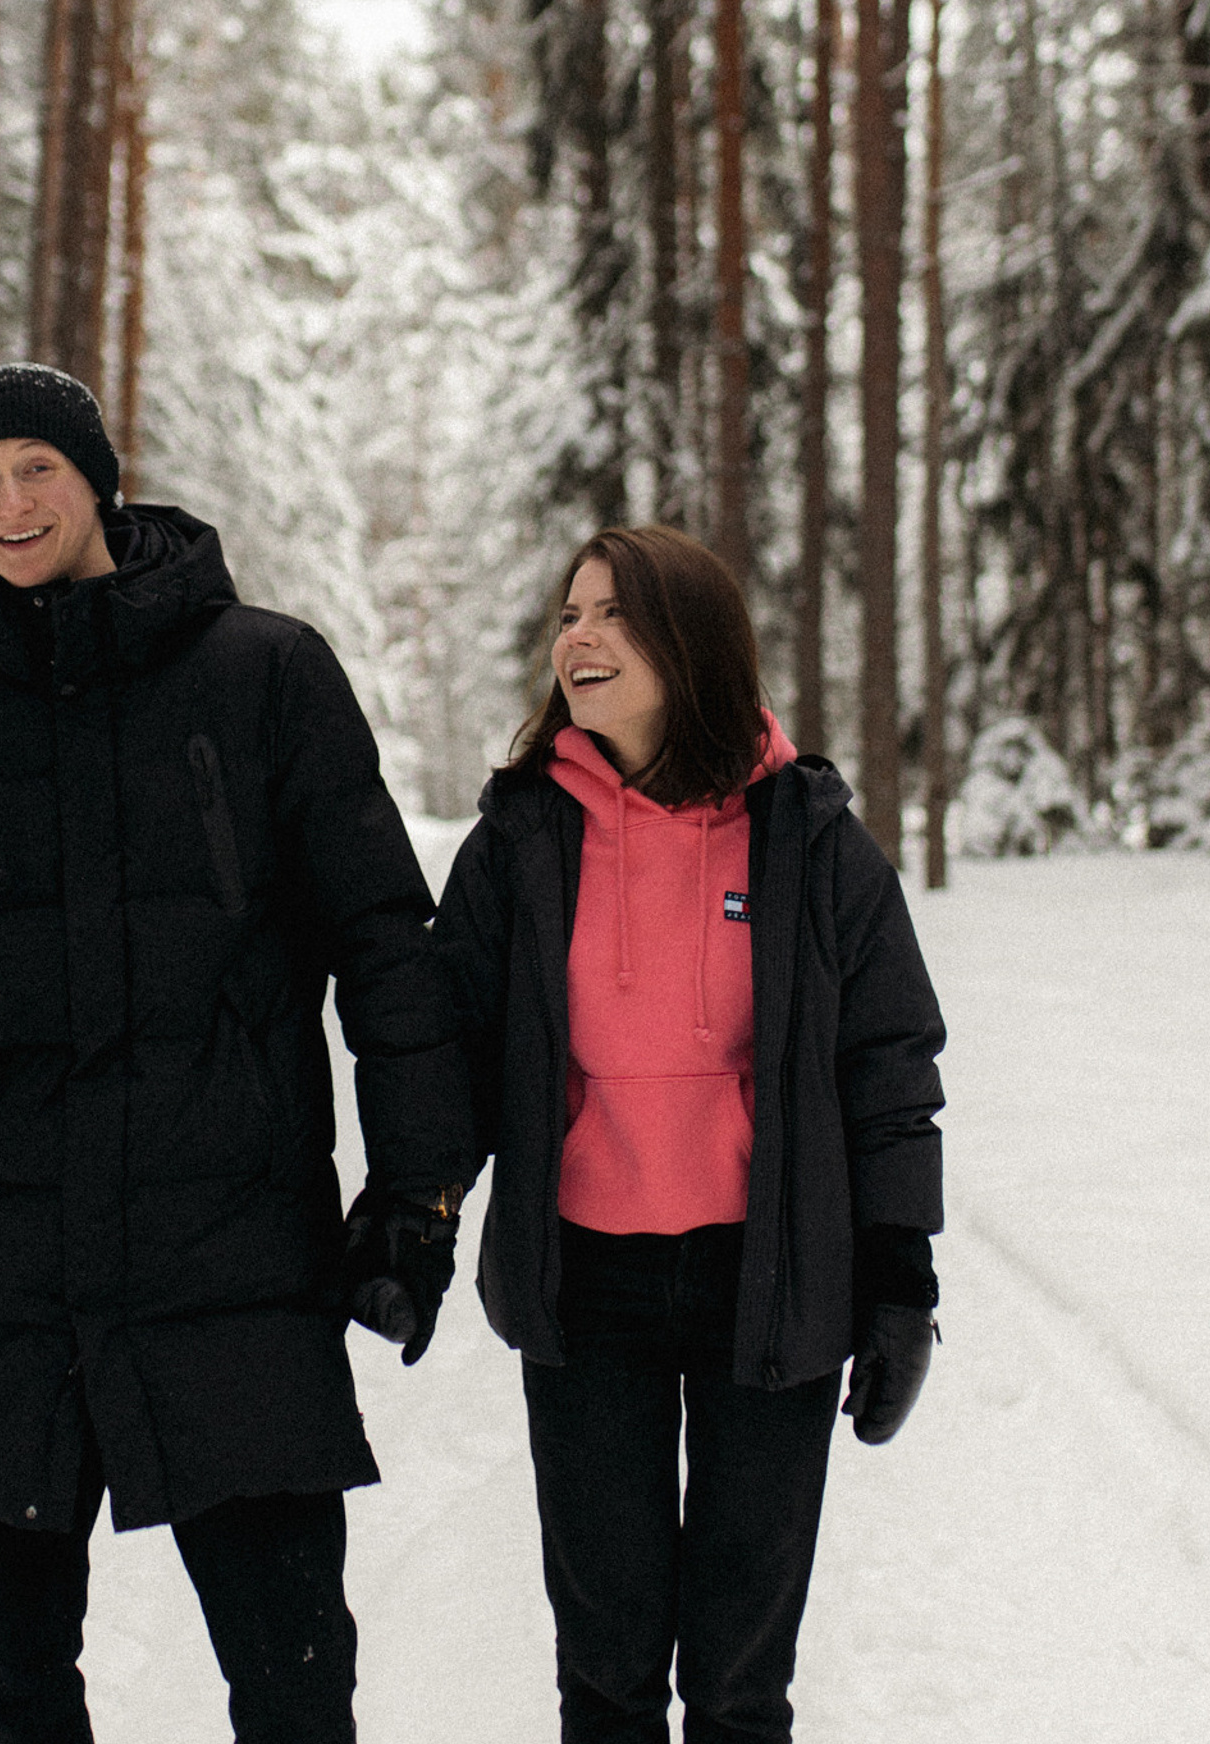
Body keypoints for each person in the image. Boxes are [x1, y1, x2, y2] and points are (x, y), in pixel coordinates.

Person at [0, 364, 474, 1744]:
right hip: (4, 1269)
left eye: (35, 468)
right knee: (16, 1691)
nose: (10, 504)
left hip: (228, 1250)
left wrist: (417, 1197)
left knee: (293, 1684)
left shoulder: (267, 674)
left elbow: (388, 949)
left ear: (98, 477)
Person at [433, 525, 946, 1744]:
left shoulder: (811, 838)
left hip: (765, 1286)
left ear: (690, 642)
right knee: (605, 1672)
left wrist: (899, 1278)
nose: (579, 637)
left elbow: (888, 1066)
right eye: (567, 614)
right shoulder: (521, 838)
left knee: (736, 1678)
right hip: (586, 1286)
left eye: (612, 612)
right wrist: (416, 1211)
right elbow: (449, 1053)